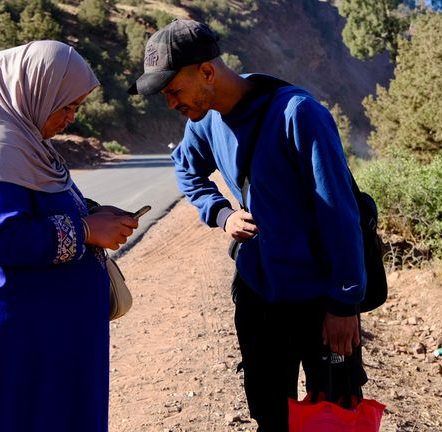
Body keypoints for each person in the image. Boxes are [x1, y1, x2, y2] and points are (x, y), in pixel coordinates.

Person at [129, 20, 368, 430]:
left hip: (319, 301)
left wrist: (344, 305)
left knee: (336, 417)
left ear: (206, 72)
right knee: (271, 417)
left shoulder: (299, 114)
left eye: (173, 91)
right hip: (259, 296)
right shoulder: (203, 122)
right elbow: (186, 170)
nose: (171, 104)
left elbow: (339, 213)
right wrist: (222, 214)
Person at [0, 41, 138, 431]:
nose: (71, 118)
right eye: (67, 105)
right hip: (5, 340)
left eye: (77, 107)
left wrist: (91, 213)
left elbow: (39, 206)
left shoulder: (30, 148)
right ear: (35, 89)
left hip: (42, 340)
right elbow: (0, 238)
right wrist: (87, 230)